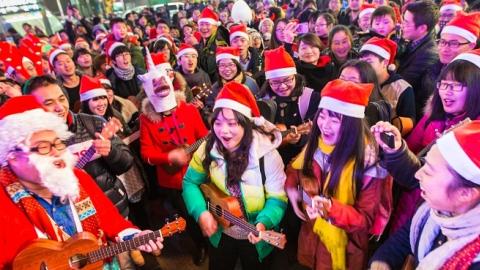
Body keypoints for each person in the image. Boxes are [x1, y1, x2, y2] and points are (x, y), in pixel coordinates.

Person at [0, 95, 162, 269]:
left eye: (58, 143)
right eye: (43, 147)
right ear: (13, 157)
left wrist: (133, 236)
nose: (56, 153)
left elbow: (111, 220)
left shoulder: (77, 177)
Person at [182, 81, 288, 269]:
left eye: (232, 124)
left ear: (246, 124)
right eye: (218, 123)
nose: (223, 131)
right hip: (220, 233)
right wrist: (202, 212)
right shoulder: (208, 149)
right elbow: (190, 182)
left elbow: (278, 198)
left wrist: (264, 222)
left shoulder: (268, 156)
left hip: (255, 239)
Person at [285, 79, 388, 270]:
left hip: (344, 250)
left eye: (335, 120)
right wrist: (291, 187)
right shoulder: (316, 144)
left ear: (352, 125)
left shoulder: (369, 163)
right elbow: (296, 167)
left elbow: (365, 220)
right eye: (322, 116)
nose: (325, 125)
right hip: (310, 239)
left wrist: (331, 209)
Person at [369, 119, 480, 270]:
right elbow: (407, 236)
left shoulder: (472, 259)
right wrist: (382, 260)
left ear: (465, 194)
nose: (418, 175)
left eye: (428, 171)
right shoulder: (434, 212)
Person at [24, 75, 132, 218]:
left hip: (113, 207)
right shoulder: (29, 143)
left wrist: (111, 152)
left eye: (62, 99)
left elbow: (126, 163)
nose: (59, 107)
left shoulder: (93, 124)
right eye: (49, 103)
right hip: (70, 218)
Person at [138, 51, 209, 265]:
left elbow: (205, 137)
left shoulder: (188, 109)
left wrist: (195, 152)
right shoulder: (145, 119)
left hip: (198, 173)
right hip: (172, 181)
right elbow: (146, 153)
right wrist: (168, 156)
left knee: (205, 210)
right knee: (188, 217)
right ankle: (199, 246)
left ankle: (212, 241)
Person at [359, 37, 416, 134]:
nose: (364, 67)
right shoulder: (358, 81)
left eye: (369, 62)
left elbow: (408, 124)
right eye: (361, 62)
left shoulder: (402, 88)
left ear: (385, 62)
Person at [396, 0, 439, 120]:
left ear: (422, 28)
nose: (402, 25)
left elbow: (403, 82)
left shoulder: (428, 54)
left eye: (406, 22)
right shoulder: (412, 42)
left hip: (412, 116)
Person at [105, 41, 145, 108]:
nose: (124, 57)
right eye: (120, 55)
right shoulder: (110, 78)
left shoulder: (141, 72)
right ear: (114, 61)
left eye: (127, 54)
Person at [195, 8, 229, 83]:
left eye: (207, 24)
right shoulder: (203, 39)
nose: (204, 27)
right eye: (201, 24)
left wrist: (196, 48)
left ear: (215, 27)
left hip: (217, 83)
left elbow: (210, 68)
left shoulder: (220, 42)